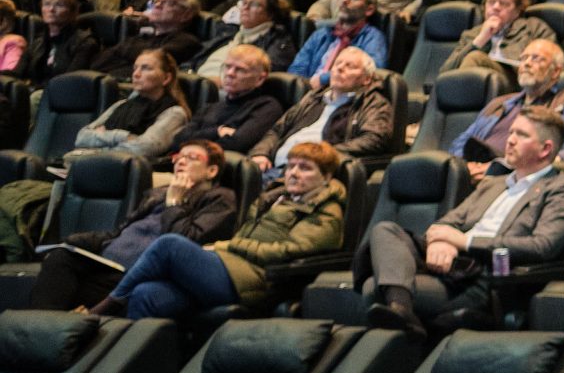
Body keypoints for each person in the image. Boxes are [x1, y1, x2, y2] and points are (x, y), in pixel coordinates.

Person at [362, 106, 564, 339]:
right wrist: (441, 241)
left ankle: (402, 314)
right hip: (449, 263)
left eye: (521, 135)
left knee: (375, 289)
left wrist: (465, 242)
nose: (510, 140)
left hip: (484, 277)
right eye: (511, 132)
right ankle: (401, 311)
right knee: (385, 229)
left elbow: (542, 246)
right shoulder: (494, 184)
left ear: (545, 149)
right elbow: (449, 222)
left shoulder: (563, 190)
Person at [96, 142, 346, 321]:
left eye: (305, 168)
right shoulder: (276, 199)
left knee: (170, 245)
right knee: (145, 294)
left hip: (256, 280)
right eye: (290, 166)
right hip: (229, 268)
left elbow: (291, 251)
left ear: (326, 176)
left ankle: (106, 306)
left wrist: (227, 246)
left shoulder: (326, 211)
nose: (293, 173)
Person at [26, 138, 239, 311]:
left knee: (66, 290)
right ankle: (38, 331)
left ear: (211, 171)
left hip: (139, 273)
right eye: (178, 157)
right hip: (107, 264)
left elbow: (184, 241)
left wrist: (175, 203)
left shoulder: (220, 199)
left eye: (191, 158)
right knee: (60, 258)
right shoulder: (157, 194)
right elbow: (120, 232)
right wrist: (72, 244)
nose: (180, 162)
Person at [448, 37, 564, 178]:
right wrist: (466, 168)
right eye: (523, 58)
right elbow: (462, 142)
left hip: (519, 176)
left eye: (536, 58)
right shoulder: (499, 103)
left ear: (555, 71)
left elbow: (559, 149)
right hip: (471, 173)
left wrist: (497, 168)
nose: (526, 64)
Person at [253, 49, 397, 176]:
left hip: (310, 174)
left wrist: (321, 154)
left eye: (350, 66)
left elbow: (374, 139)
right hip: (272, 168)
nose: (340, 69)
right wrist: (260, 153)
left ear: (366, 79)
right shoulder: (313, 97)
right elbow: (277, 130)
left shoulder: (374, 102)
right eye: (337, 64)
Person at [69, 48, 189, 162]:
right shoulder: (122, 104)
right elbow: (82, 137)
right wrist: (124, 137)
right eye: (135, 68)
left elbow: (144, 148)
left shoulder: (174, 113)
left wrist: (98, 146)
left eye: (146, 68)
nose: (136, 74)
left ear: (166, 78)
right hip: (99, 167)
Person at [174, 44, 292, 158]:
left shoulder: (267, 107)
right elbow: (178, 140)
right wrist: (217, 132)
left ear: (260, 78)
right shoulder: (211, 106)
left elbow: (237, 144)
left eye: (240, 70)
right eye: (227, 66)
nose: (230, 73)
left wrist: (197, 139)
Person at [443, 0, 547, 75]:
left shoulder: (534, 28)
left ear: (517, 10)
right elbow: (445, 72)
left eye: (504, 3)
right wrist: (481, 39)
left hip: (517, 82)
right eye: (491, 2)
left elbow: (548, 64)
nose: (496, 7)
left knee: (475, 58)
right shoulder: (471, 34)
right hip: (478, 84)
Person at [288, 0, 390, 79]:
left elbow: (370, 72)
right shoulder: (321, 33)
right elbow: (297, 67)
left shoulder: (373, 37)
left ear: (369, 10)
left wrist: (324, 80)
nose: (345, 0)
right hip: (310, 92)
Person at [14, 0, 101, 86]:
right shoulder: (38, 42)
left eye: (59, 5)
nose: (51, 9)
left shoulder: (85, 42)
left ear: (72, 11)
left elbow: (72, 80)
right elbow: (16, 73)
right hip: (36, 92)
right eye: (46, 4)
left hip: (63, 94)